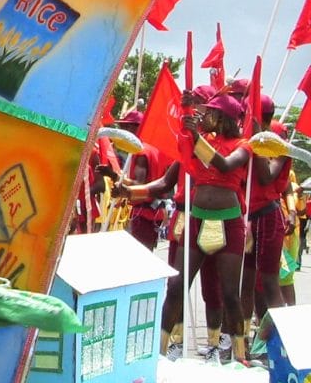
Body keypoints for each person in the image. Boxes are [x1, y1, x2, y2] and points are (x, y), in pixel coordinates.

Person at [128, 94, 251, 365]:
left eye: (211, 113)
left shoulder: (243, 146)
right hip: (196, 220)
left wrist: (197, 138)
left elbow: (225, 164)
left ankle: (240, 356)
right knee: (176, 285)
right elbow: (169, 177)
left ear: (224, 117)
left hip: (229, 224)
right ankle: (158, 352)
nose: (205, 116)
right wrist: (129, 190)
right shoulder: (199, 140)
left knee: (230, 293)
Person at [240, 96, 290, 345]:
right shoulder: (244, 141)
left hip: (269, 219)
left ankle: (281, 344)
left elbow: (267, 175)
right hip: (246, 219)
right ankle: (252, 341)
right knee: (246, 283)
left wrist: (257, 142)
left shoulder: (276, 143)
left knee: (269, 284)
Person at [116, 110, 169, 251]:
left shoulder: (141, 151)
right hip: (155, 211)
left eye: (126, 127)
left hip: (144, 213)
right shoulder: (157, 149)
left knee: (139, 256)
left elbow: (140, 185)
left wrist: (117, 179)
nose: (123, 132)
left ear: (137, 127)